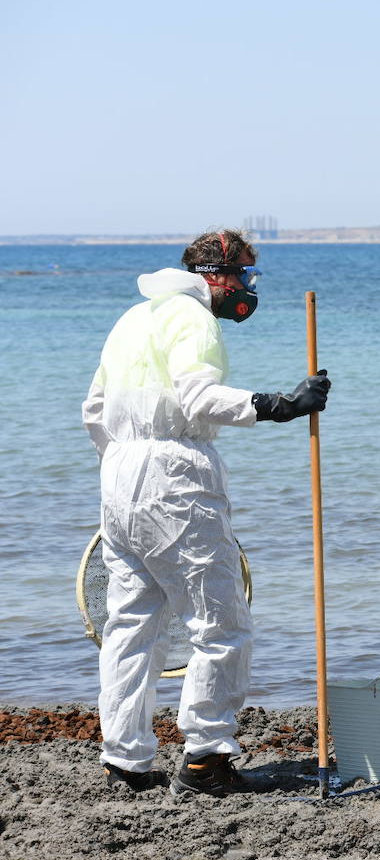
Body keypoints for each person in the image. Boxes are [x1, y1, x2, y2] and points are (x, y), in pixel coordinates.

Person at [82, 230, 331, 797]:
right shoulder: (194, 318)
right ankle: (207, 758)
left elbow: (93, 410)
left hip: (118, 475)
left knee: (131, 626)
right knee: (220, 624)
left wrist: (124, 466)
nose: (247, 287)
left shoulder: (132, 319)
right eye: (244, 274)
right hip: (175, 476)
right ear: (215, 274)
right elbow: (198, 397)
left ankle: (125, 761)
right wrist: (279, 405)